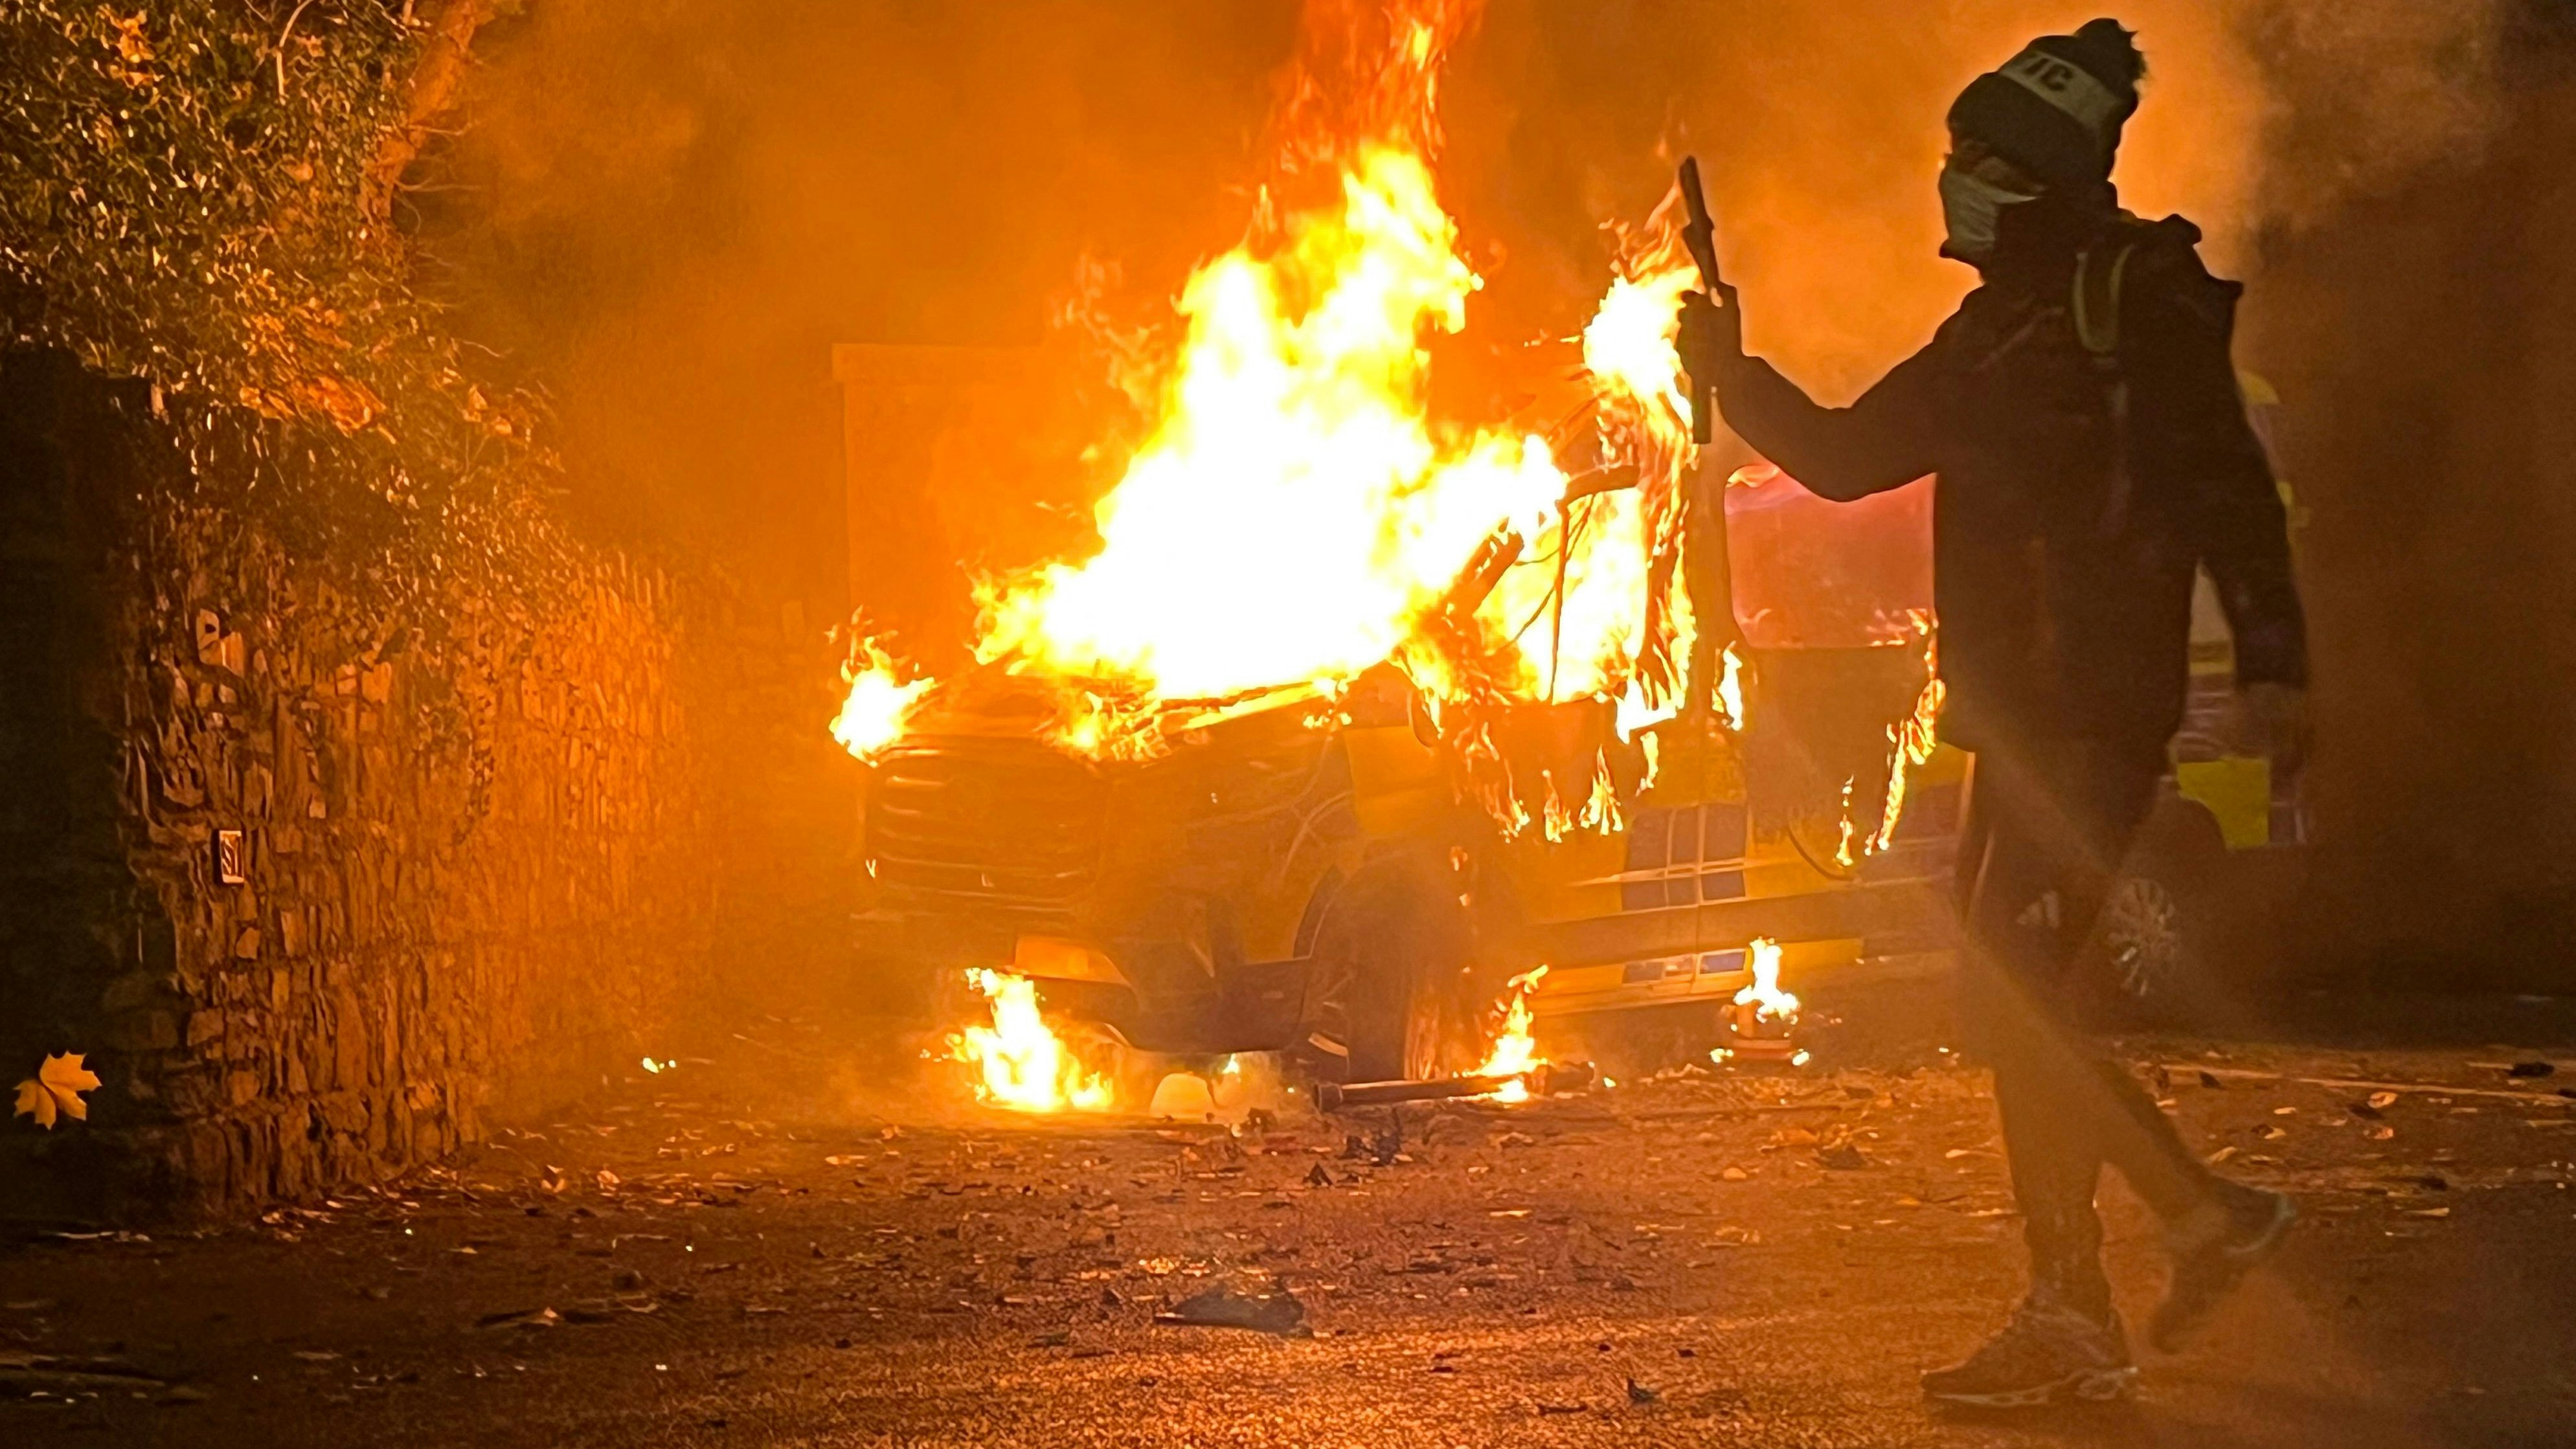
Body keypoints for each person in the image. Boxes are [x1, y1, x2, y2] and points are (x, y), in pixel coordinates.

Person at [1678, 18, 2310, 1408]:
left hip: (2089, 713)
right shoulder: (1995, 327)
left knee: (2014, 999)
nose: (1951, 179)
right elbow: (1846, 456)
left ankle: (2154, 1248)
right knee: (2004, 1000)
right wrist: (1732, 376)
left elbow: (2222, 481)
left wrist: (2273, 663)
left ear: (2034, 176)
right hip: (2014, 715)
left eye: (1975, 157)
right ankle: (2105, 1283)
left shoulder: (2125, 303)